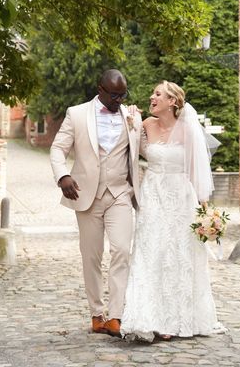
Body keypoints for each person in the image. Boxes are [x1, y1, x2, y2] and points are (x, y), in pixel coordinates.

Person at [120, 80, 225, 342]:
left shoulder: (189, 130)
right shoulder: (144, 125)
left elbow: (196, 169)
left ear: (173, 102)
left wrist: (205, 210)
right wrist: (131, 122)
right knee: (150, 252)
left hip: (181, 198)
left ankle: (174, 319)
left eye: (158, 94)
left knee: (179, 256)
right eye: (152, 92)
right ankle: (146, 317)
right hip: (153, 196)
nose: (151, 97)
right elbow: (133, 152)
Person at [50, 69, 142, 337]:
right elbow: (57, 149)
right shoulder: (76, 114)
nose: (119, 100)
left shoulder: (131, 115)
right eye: (114, 95)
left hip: (121, 194)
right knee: (91, 256)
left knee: (122, 250)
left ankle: (116, 316)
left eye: (123, 94)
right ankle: (97, 314)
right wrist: (63, 175)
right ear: (99, 89)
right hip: (85, 195)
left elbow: (144, 147)